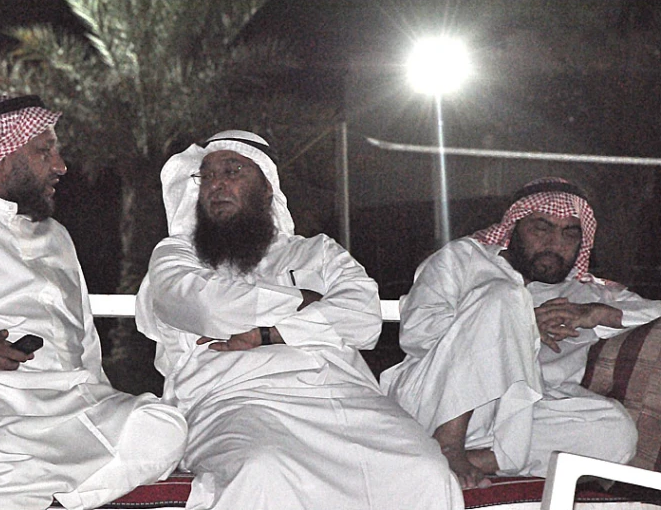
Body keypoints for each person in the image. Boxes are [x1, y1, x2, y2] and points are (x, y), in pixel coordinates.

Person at [0, 95, 187, 510]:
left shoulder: (55, 235)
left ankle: (23, 490)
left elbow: (84, 340)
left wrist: (101, 394)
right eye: (44, 151)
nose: (60, 165)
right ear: (1, 156)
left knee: (162, 426)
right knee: (7, 456)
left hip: (71, 398)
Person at [135, 130, 464, 510]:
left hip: (344, 396)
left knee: (424, 471)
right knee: (262, 471)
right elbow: (208, 308)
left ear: (266, 190)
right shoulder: (177, 254)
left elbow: (363, 318)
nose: (216, 185)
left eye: (233, 171)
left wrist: (268, 333)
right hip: (234, 399)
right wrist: (306, 301)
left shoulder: (316, 251)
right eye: (207, 176)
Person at [380, 177, 661, 489]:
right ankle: (448, 444)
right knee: (505, 297)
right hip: (434, 400)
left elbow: (655, 310)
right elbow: (418, 334)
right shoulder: (464, 259)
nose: (556, 243)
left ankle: (475, 460)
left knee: (616, 432)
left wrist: (596, 313)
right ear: (513, 228)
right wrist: (517, 326)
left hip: (519, 423)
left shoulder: (586, 293)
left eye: (570, 233)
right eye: (541, 227)